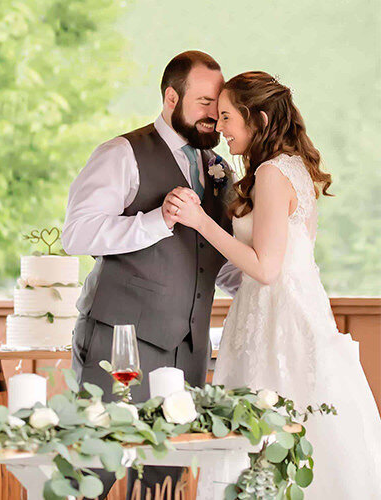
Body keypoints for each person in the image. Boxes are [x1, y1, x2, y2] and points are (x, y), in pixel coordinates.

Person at [166, 71, 381, 498]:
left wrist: (199, 220)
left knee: (269, 432)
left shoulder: (271, 174)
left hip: (278, 319)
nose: (220, 127)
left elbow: (266, 269)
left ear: (258, 120)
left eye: (227, 117)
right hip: (288, 309)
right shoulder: (290, 168)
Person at [62, 51, 241, 499]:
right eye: (202, 103)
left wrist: (271, 281)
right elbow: (77, 234)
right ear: (169, 97)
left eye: (218, 107)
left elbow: (213, 260)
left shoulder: (219, 169)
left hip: (191, 351)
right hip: (119, 343)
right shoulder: (121, 153)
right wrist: (156, 222)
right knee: (91, 472)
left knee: (166, 480)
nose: (212, 118)